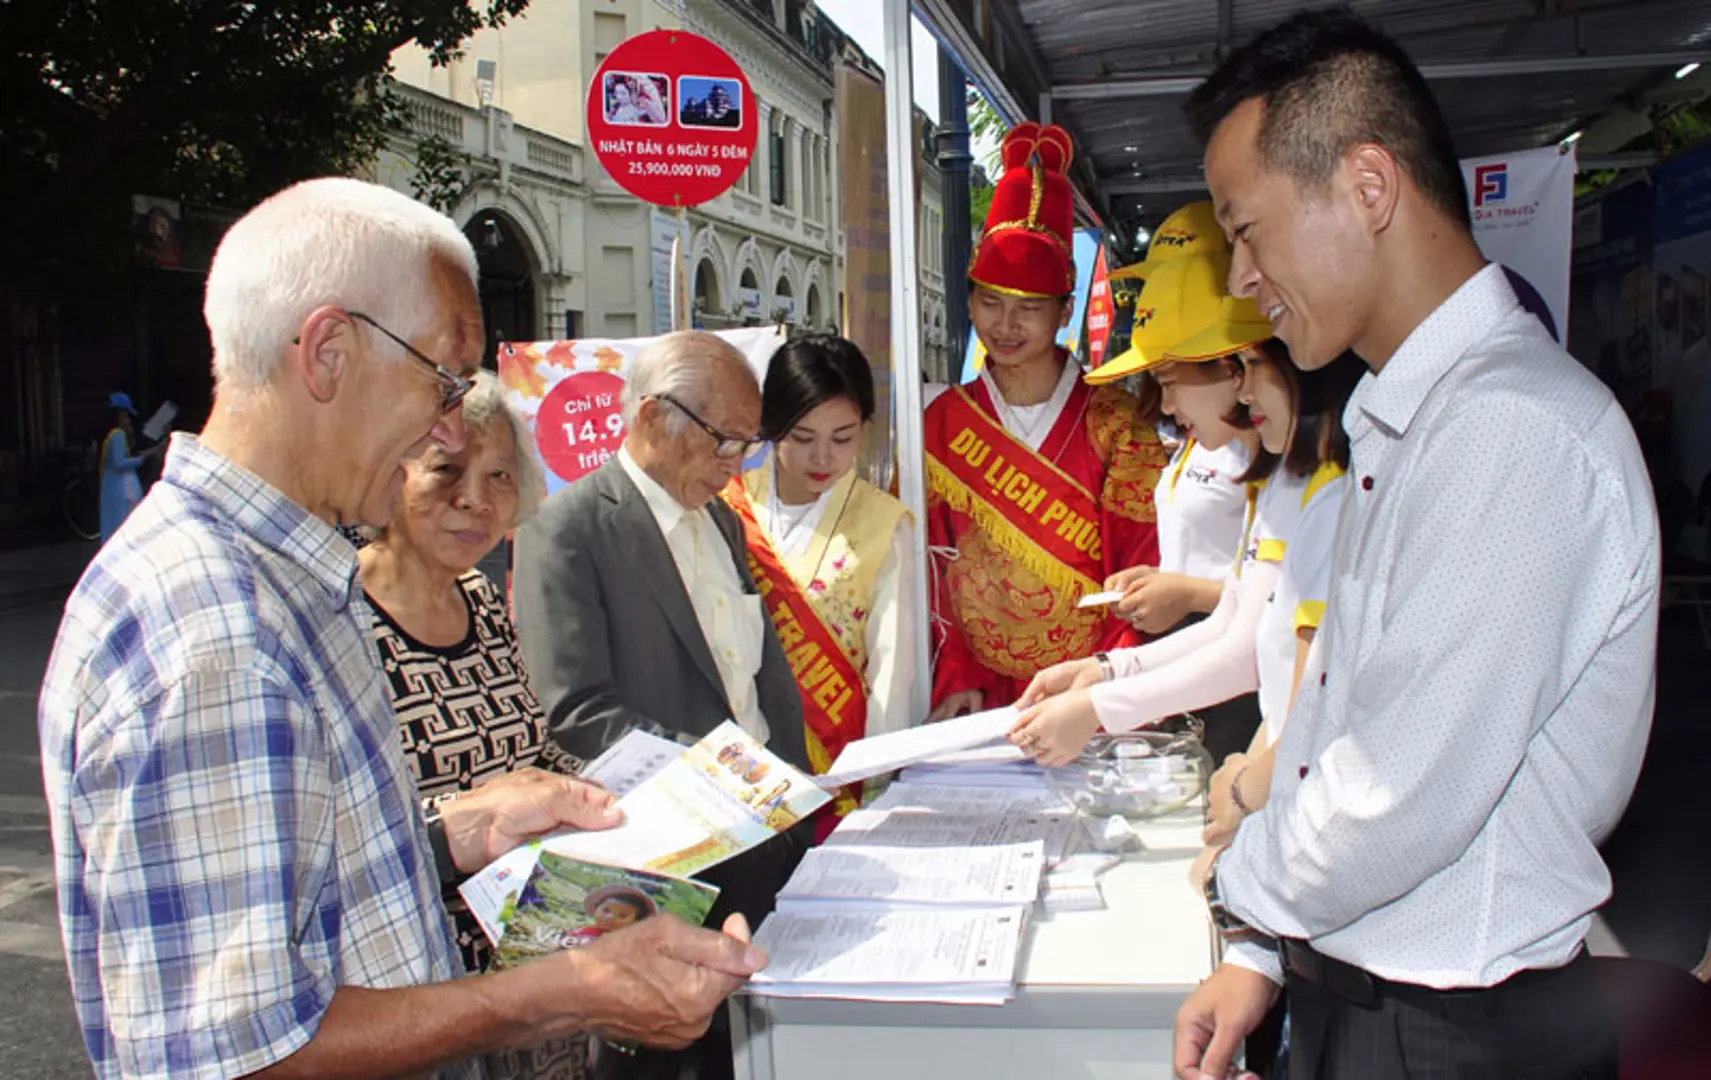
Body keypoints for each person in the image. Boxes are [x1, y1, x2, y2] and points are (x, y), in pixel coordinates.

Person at [38, 178, 766, 1080]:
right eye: (443, 378)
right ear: (330, 352)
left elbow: (304, 906)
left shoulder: (285, 578)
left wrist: (456, 833)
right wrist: (566, 990)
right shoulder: (218, 627)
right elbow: (232, 1054)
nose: (448, 420)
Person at [1172, 11, 1659, 1080]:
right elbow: (1335, 725)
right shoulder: (1413, 420)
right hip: (1375, 997)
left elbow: (1395, 794)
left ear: (1369, 187)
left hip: (1455, 1032)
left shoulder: (1507, 428)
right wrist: (1255, 955)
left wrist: (1233, 887)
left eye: (1244, 231)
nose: (1242, 278)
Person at [512, 329, 809, 1080]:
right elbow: (577, 712)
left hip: (764, 838)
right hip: (669, 860)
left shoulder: (720, 523)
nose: (733, 465)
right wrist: (720, 780)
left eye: (747, 445)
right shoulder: (567, 528)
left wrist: (781, 792)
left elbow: (749, 677)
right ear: (650, 418)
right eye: (722, 442)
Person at [1009, 261, 1360, 774]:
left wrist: (1100, 704)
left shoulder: (1325, 488)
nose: (1243, 391)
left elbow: (1251, 653)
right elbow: (1234, 623)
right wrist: (1109, 671)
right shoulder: (1276, 480)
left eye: (1249, 367)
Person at [358, 370, 592, 1079]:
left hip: (536, 962)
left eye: (498, 476)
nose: (475, 500)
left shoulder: (483, 602)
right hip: (424, 994)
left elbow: (535, 749)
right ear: (390, 474)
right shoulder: (344, 621)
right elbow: (344, 831)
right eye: (446, 471)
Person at [926, 121, 1167, 720]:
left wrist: (1105, 687)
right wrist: (954, 672)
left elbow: (1140, 567)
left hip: (1087, 689)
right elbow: (934, 562)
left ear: (1063, 311)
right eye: (989, 303)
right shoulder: (946, 420)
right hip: (978, 695)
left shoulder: (1116, 422)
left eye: (1029, 309)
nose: (1005, 326)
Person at [721, 335, 917, 826]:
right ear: (770, 427)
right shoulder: (724, 509)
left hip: (838, 774)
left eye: (843, 438)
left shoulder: (882, 524)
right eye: (803, 438)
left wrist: (877, 782)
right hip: (739, 767)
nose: (823, 458)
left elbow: (892, 672)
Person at [98, 391, 163, 541]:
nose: (128, 421)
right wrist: (143, 457)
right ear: (119, 414)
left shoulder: (108, 435)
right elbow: (120, 463)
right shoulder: (118, 435)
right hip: (121, 490)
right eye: (126, 416)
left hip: (111, 489)